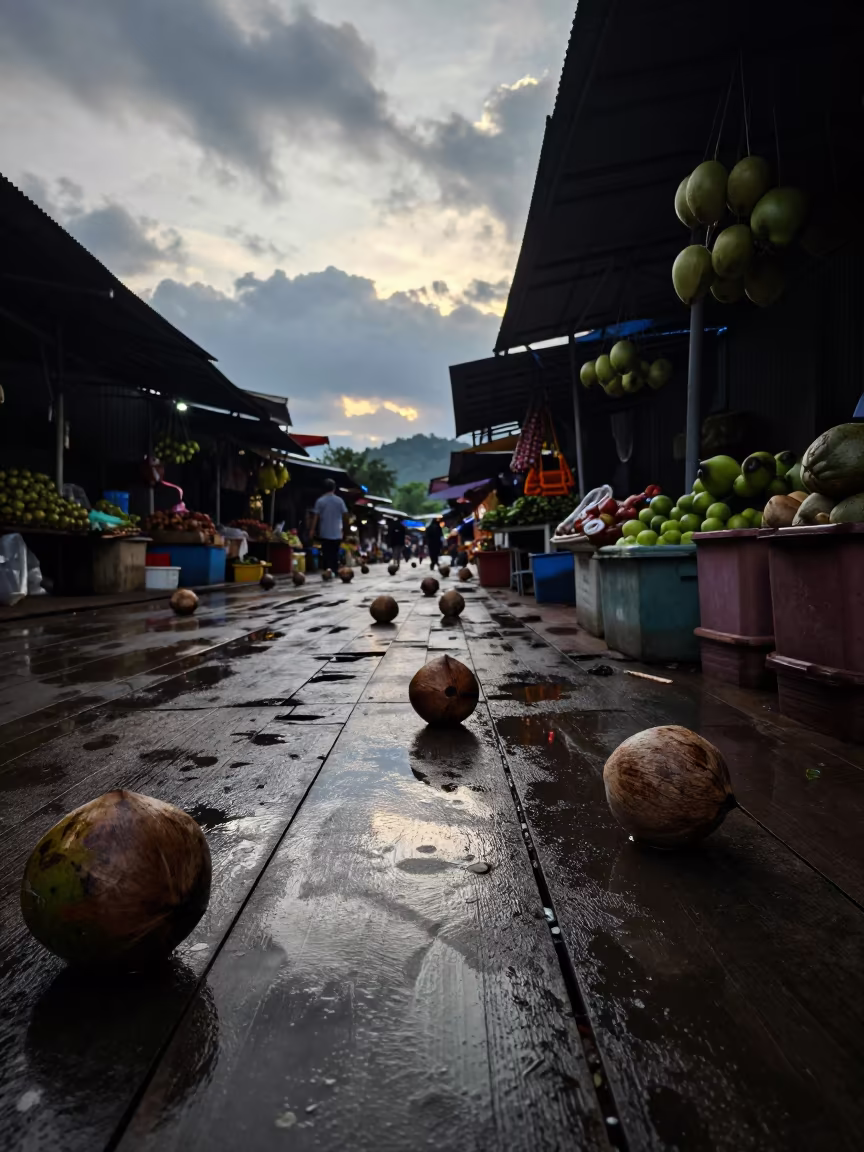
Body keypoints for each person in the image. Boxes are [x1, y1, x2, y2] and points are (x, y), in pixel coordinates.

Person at [310, 478, 348, 573]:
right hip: (337, 532)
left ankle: (327, 571)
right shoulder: (339, 501)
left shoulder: (320, 501)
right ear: (334, 488)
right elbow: (345, 515)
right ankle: (334, 571)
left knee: (326, 553)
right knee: (335, 553)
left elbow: (315, 517)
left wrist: (312, 530)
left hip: (325, 532)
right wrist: (345, 529)